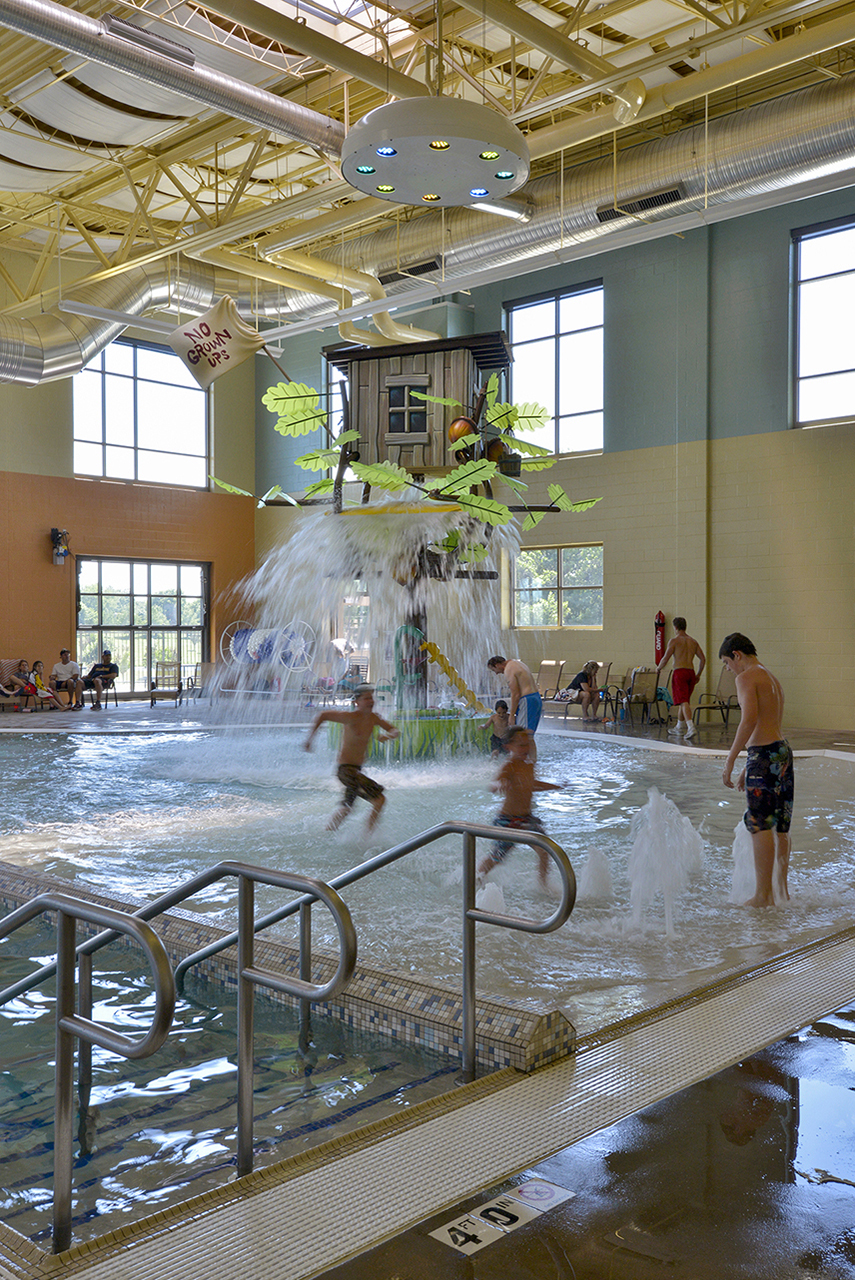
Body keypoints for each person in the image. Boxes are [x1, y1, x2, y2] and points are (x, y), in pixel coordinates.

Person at [720, 632, 793, 909]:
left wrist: (731, 761)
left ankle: (763, 896)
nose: (729, 670)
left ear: (737, 655)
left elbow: (749, 720)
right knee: (781, 826)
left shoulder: (746, 677)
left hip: (763, 755)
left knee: (760, 823)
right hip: (782, 752)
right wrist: (747, 767)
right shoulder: (771, 677)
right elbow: (768, 723)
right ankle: (781, 892)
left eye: (728, 663)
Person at [304, 684, 399, 831]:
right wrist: (310, 739)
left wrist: (388, 736)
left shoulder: (373, 718)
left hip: (355, 770)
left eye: (371, 698)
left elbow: (394, 730)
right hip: (346, 769)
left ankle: (328, 831)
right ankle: (367, 836)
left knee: (347, 808)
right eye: (366, 698)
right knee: (379, 800)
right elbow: (323, 715)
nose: (371, 701)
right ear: (357, 702)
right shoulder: (350, 717)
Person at [477, 726, 561, 888]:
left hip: (526, 818)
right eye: (521, 745)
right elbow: (494, 783)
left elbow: (533, 785)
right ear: (508, 747)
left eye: (527, 744)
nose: (526, 748)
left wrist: (555, 786)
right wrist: (500, 784)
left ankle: (543, 885)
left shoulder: (529, 765)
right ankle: (477, 877)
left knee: (544, 851)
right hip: (507, 820)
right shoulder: (509, 766)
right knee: (497, 858)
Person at [656, 617, 705, 738]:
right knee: (685, 701)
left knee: (683, 701)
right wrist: (698, 674)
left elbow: (666, 658)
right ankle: (679, 726)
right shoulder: (693, 641)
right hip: (691, 673)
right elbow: (703, 659)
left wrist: (658, 668)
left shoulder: (674, 641)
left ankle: (690, 727)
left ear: (675, 627)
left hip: (680, 673)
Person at [486, 656, 542, 759]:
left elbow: (515, 694)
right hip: (535, 698)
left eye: (494, 670)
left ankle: (525, 762)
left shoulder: (508, 669)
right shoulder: (516, 663)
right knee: (528, 734)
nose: (496, 673)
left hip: (527, 700)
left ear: (497, 665)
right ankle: (532, 761)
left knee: (522, 734)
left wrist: (511, 715)